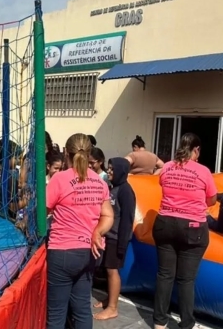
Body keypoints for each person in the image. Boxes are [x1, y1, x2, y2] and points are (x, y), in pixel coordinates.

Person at [46, 133, 114, 329]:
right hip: (90, 251)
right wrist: (97, 232)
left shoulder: (60, 179)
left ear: (66, 153)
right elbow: (108, 215)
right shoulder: (99, 182)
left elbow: (42, 212)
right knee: (82, 308)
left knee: (57, 313)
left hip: (63, 251)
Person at [152, 133, 218, 329]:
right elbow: (212, 199)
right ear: (196, 150)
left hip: (165, 223)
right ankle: (186, 323)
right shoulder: (203, 171)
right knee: (186, 279)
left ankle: (159, 322)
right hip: (192, 227)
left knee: (165, 275)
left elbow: (163, 185)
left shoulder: (167, 167)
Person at [94, 157, 136, 321]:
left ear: (121, 171)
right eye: (109, 168)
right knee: (107, 269)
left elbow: (127, 219)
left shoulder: (126, 191)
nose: (109, 171)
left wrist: (122, 244)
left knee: (112, 271)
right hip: (109, 235)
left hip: (117, 237)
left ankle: (113, 308)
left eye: (112, 169)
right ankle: (109, 299)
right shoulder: (113, 187)